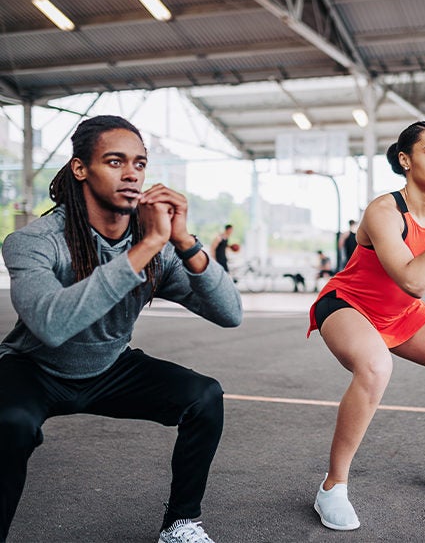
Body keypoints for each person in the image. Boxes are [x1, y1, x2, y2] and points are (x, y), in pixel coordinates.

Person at [0, 115, 243, 543]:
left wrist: (185, 241)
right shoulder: (35, 241)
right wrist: (148, 245)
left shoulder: (160, 248)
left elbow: (229, 313)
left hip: (110, 367)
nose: (132, 173)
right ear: (81, 169)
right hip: (34, 367)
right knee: (12, 423)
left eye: (140, 164)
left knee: (204, 397)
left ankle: (180, 523)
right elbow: (51, 325)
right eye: (115, 162)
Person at [306, 121, 425, 530]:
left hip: (402, 312)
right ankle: (332, 487)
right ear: (405, 159)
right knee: (376, 367)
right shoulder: (384, 210)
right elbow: (414, 280)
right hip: (348, 305)